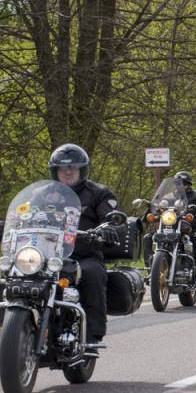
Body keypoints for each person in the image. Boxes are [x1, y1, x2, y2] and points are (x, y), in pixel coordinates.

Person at [49, 143, 119, 351]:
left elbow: (112, 218)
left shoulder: (98, 193)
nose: (68, 172)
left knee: (93, 274)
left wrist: (109, 228)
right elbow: (23, 214)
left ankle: (91, 336)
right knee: (16, 276)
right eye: (63, 168)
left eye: (73, 167)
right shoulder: (43, 193)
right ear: (55, 171)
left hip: (84, 255)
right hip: (46, 257)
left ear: (82, 170)